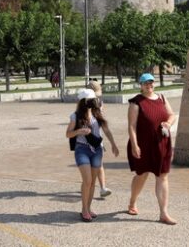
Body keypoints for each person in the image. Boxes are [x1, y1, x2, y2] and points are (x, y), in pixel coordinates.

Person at [127, 73, 177, 225]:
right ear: (140, 85)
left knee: (163, 176)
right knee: (142, 175)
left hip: (162, 143)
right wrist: (135, 144)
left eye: (151, 82)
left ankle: (163, 213)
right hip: (143, 144)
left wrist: (168, 123)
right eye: (145, 83)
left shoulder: (161, 98)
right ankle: (132, 202)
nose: (149, 85)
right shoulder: (136, 102)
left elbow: (171, 115)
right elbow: (131, 126)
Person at [66, 88, 119, 222]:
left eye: (93, 99)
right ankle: (84, 210)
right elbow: (68, 134)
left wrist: (113, 143)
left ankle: (88, 208)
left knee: (93, 182)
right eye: (90, 100)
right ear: (84, 102)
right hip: (81, 149)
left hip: (97, 150)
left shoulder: (97, 113)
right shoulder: (75, 116)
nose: (93, 102)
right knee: (87, 180)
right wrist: (79, 131)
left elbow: (106, 130)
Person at [86, 80, 112, 198]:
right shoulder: (86, 104)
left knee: (98, 164)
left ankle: (102, 188)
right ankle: (93, 186)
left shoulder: (98, 102)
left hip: (96, 139)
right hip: (87, 140)